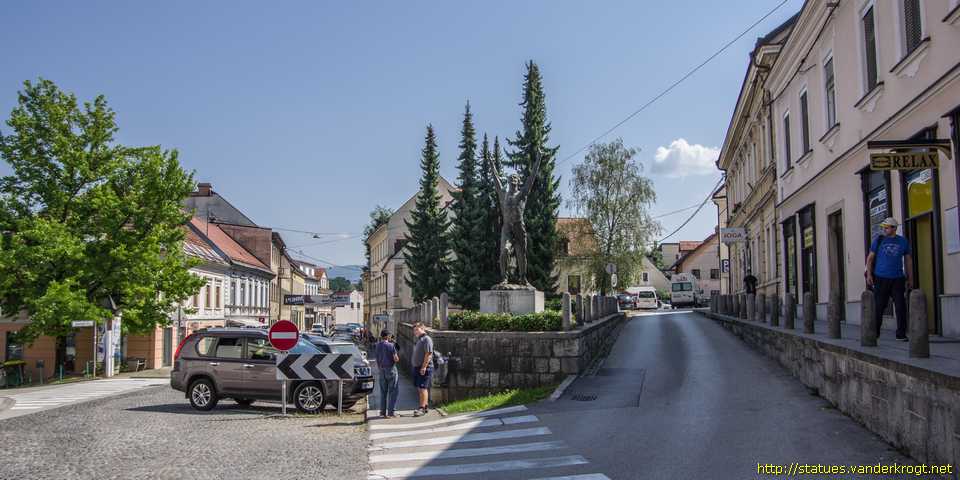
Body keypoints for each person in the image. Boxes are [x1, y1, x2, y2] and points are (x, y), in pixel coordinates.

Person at [865, 217, 913, 341]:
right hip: (881, 278)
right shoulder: (879, 240)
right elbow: (870, 258)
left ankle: (901, 334)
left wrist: (910, 278)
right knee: (879, 306)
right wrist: (869, 275)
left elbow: (908, 261)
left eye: (887, 227)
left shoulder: (903, 242)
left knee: (900, 306)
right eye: (884, 227)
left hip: (898, 278)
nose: (884, 229)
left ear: (894, 228)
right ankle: (875, 333)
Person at [374, 330, 400, 418]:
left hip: (381, 369)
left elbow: (377, 358)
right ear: (388, 336)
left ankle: (382, 412)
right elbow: (396, 359)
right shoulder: (391, 345)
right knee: (393, 391)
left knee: (383, 392)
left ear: (381, 336)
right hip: (391, 369)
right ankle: (391, 412)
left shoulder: (377, 346)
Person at [411, 322, 433, 417]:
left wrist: (424, 367)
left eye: (417, 329)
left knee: (422, 387)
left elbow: (428, 354)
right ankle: (425, 406)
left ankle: (422, 408)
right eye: (414, 330)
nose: (415, 332)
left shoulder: (426, 339)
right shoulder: (420, 339)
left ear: (422, 329)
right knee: (420, 388)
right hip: (417, 367)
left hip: (423, 367)